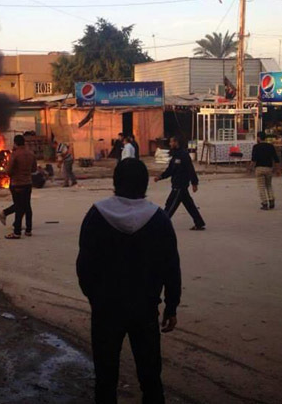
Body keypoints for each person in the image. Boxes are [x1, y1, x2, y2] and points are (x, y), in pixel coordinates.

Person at [77, 158, 181, 404]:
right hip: (144, 310)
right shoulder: (158, 219)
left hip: (105, 310)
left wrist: (95, 297)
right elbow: (171, 266)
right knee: (150, 376)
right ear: (145, 184)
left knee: (105, 376)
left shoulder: (96, 215)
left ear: (115, 182)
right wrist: (171, 306)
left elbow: (84, 265)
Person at [155, 136, 206, 231]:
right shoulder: (175, 155)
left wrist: (194, 183)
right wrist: (160, 177)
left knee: (170, 205)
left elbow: (190, 169)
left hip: (180, 185)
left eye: (171, 142)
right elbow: (170, 170)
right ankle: (199, 223)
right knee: (190, 205)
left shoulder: (184, 155)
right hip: (178, 185)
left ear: (176, 142)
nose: (170, 144)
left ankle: (162, 225)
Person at [0, 134, 37, 239]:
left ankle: (17, 232)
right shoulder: (31, 153)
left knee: (19, 207)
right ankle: (28, 230)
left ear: (15, 143)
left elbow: (8, 171)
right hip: (28, 183)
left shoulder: (15, 155)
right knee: (27, 206)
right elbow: (34, 169)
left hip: (17, 184)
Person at [250, 132, 280, 210]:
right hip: (269, 168)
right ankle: (271, 199)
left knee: (261, 187)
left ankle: (265, 203)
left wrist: (250, 168)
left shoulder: (256, 147)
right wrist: (277, 169)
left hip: (259, 168)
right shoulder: (270, 146)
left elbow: (254, 159)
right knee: (269, 185)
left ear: (259, 138)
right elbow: (276, 159)